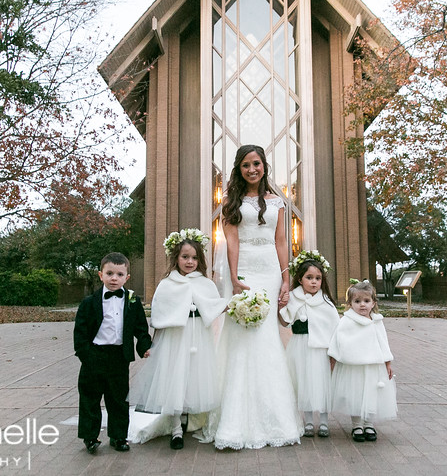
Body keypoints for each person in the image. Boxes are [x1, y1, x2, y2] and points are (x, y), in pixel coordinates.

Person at [200, 144, 303, 449]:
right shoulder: (232, 202)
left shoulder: (278, 203)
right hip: (243, 271)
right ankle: (234, 419)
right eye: (246, 165)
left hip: (270, 272)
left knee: (267, 337)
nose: (252, 169)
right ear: (239, 169)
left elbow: (281, 241)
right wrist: (233, 277)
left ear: (264, 166)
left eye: (256, 164)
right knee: (241, 338)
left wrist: (286, 279)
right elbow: (230, 240)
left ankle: (274, 416)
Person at [128, 229, 227, 450]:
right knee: (174, 378)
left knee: (194, 379)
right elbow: (160, 315)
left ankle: (188, 420)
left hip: (198, 338)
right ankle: (175, 428)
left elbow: (214, 306)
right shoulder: (167, 284)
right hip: (175, 339)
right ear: (176, 258)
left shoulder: (205, 283)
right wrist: (155, 342)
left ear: (199, 260)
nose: (189, 262)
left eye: (194, 258)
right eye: (185, 257)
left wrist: (236, 304)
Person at [73, 252, 151, 454]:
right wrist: (86, 355)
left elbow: (141, 329)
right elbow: (80, 333)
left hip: (119, 357)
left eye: (119, 274)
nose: (114, 278)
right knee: (90, 398)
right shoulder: (89, 303)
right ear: (101, 275)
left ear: (127, 277)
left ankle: (118, 437)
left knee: (118, 399)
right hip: (94, 355)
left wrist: (144, 347)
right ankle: (90, 437)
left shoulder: (133, 302)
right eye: (109, 273)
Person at [278, 250, 340, 438]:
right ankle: (308, 421)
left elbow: (334, 328)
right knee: (303, 382)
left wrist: (333, 353)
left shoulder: (326, 302)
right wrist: (281, 307)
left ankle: (323, 421)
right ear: (300, 279)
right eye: (309, 277)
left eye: (318, 278)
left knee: (321, 384)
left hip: (320, 349)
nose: (314, 282)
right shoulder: (294, 298)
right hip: (300, 346)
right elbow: (285, 321)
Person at [328, 280, 397, 442]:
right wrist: (334, 360)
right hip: (354, 367)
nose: (362, 305)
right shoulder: (346, 321)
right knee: (355, 395)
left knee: (371, 394)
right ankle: (357, 425)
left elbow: (383, 342)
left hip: (373, 366)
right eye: (357, 301)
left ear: (373, 303)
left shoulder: (377, 321)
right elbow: (338, 340)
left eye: (366, 301)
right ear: (350, 303)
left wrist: (387, 363)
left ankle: (369, 423)